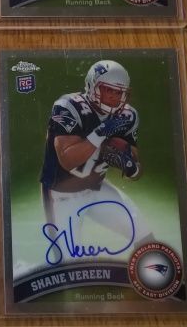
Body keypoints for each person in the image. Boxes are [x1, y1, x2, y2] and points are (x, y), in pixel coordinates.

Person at [40, 60, 153, 256]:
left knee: (146, 240)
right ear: (92, 85)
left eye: (119, 92)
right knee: (66, 263)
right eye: (108, 90)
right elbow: (67, 160)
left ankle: (150, 274)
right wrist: (101, 132)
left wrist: (129, 164)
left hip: (97, 188)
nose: (114, 97)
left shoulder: (128, 115)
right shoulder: (68, 106)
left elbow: (136, 169)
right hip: (62, 196)